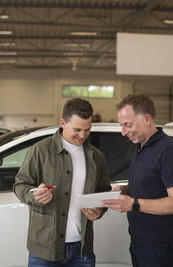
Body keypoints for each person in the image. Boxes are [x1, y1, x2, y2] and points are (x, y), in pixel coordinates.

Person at [13, 98, 111, 267]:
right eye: (77, 129)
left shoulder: (96, 157)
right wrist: (35, 196)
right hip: (45, 248)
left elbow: (104, 190)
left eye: (87, 130)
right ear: (63, 123)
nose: (82, 135)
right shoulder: (40, 151)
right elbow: (19, 186)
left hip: (82, 250)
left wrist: (100, 209)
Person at [102, 94, 173, 267]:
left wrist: (133, 204)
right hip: (139, 242)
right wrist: (125, 189)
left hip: (159, 247)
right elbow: (151, 185)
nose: (123, 132)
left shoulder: (168, 150)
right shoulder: (139, 146)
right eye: (121, 125)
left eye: (128, 125)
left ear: (147, 119)